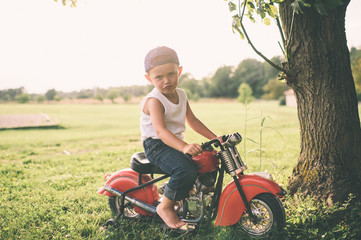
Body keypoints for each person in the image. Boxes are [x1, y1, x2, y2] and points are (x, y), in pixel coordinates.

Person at [140, 46, 221, 229]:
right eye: (159, 77)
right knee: (184, 169)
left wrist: (215, 137)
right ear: (149, 78)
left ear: (180, 71)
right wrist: (184, 146)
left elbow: (192, 120)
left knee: (210, 156)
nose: (166, 81)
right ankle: (165, 207)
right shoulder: (154, 100)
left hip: (172, 143)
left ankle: (201, 194)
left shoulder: (182, 94)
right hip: (156, 145)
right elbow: (160, 131)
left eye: (171, 74)